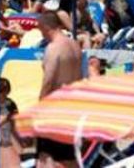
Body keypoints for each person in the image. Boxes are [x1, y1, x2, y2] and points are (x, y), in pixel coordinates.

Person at [36, 11, 82, 167]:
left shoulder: (54, 48)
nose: (42, 34)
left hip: (54, 109)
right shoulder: (74, 45)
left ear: (46, 27)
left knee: (46, 157)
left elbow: (48, 79)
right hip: (72, 107)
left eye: (41, 30)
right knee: (69, 158)